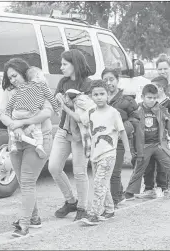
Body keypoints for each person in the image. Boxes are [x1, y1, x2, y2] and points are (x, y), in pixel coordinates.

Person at [0, 58, 54, 237]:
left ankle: (24, 224)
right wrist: (14, 125)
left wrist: (22, 122)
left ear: (24, 72)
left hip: (39, 140)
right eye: (10, 77)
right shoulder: (9, 92)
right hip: (16, 142)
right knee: (24, 183)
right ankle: (34, 218)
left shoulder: (38, 86)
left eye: (15, 75)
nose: (13, 80)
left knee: (28, 182)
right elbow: (2, 113)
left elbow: (48, 112)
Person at [124, 84, 170, 200]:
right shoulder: (137, 110)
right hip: (144, 145)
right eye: (149, 98)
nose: (152, 100)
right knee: (139, 168)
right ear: (143, 97)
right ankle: (129, 192)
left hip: (160, 144)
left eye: (155, 98)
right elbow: (131, 128)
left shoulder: (160, 109)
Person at [80, 80, 132, 226]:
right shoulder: (90, 112)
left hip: (108, 154)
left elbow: (122, 132)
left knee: (98, 183)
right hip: (94, 155)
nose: (99, 97)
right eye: (95, 95)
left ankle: (94, 214)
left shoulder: (113, 113)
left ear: (108, 95)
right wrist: (65, 107)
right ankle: (109, 210)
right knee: (102, 183)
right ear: (91, 96)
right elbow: (80, 120)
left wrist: (127, 151)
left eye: (102, 94)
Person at [48, 49, 93, 221]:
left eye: (65, 64)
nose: (61, 67)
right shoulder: (63, 82)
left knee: (80, 171)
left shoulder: (88, 84)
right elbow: (55, 104)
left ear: (75, 64)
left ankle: (82, 207)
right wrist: (58, 101)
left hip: (81, 132)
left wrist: (68, 104)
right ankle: (71, 201)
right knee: (53, 167)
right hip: (64, 129)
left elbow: (88, 110)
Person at [101, 68, 142, 208]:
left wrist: (125, 127)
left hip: (118, 139)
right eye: (105, 80)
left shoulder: (127, 99)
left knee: (114, 171)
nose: (108, 83)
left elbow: (136, 118)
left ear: (117, 80)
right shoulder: (100, 97)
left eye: (111, 79)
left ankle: (114, 201)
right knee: (106, 170)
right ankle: (118, 194)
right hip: (103, 140)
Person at [5, 66, 60, 158]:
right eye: (43, 76)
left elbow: (12, 101)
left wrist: (9, 110)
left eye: (14, 76)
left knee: (17, 126)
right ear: (38, 76)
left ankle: (13, 145)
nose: (45, 78)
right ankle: (39, 144)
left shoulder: (21, 88)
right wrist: (57, 110)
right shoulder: (43, 87)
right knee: (36, 125)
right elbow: (51, 101)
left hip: (17, 114)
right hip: (30, 112)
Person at [138, 76, 170, 199]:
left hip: (162, 140)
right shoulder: (142, 106)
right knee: (149, 167)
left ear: (162, 89)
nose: (152, 99)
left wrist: (165, 117)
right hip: (147, 142)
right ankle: (149, 188)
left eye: (156, 88)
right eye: (149, 97)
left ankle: (164, 187)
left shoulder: (167, 104)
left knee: (163, 166)